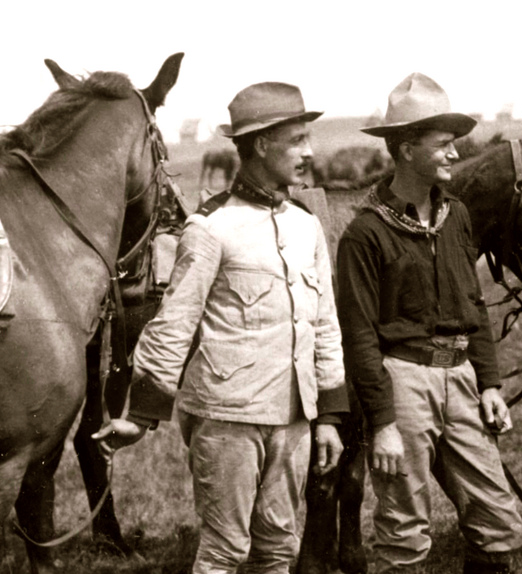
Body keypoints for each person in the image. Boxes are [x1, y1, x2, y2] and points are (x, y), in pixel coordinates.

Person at [93, 82, 348, 574]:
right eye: (296, 140)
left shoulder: (305, 226)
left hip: (294, 417)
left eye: (308, 138)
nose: (309, 151)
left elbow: (325, 324)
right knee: (225, 550)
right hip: (226, 418)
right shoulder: (210, 228)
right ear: (259, 145)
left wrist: (331, 417)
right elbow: (174, 324)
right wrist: (141, 415)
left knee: (279, 548)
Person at [337, 73, 522, 574]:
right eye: (442, 145)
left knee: (499, 521)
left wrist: (489, 383)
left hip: (462, 379)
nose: (453, 155)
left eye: (453, 145)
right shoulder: (365, 235)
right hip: (404, 383)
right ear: (404, 150)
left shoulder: (456, 216)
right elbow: (359, 339)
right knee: (404, 532)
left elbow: (474, 304)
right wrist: (383, 425)